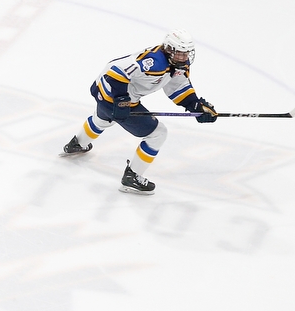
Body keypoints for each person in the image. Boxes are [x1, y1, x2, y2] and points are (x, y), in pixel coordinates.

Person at [61, 29, 218, 194]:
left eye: (186, 53)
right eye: (179, 53)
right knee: (158, 134)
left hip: (105, 92)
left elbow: (177, 87)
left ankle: (77, 144)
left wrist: (195, 106)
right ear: (169, 49)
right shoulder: (154, 61)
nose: (184, 57)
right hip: (113, 94)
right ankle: (132, 177)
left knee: (103, 119)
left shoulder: (178, 64)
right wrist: (120, 100)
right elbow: (115, 72)